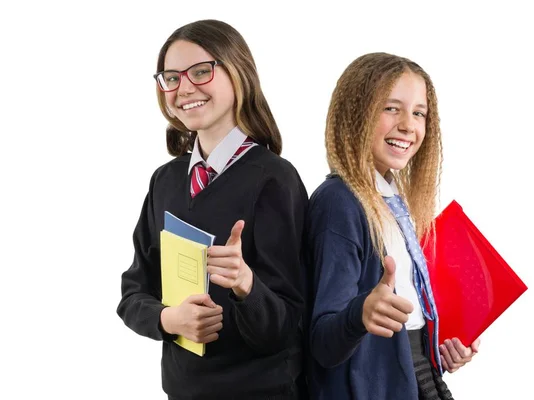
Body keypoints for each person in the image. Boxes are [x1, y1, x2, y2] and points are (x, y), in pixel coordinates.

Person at [116, 19, 308, 400]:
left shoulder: (274, 180)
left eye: (201, 71)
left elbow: (289, 326)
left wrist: (245, 285)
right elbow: (133, 293)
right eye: (171, 78)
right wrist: (168, 319)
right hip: (183, 391)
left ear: (239, 74)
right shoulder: (165, 182)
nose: (184, 87)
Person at [305, 52, 480, 400]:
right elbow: (323, 343)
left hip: (417, 378)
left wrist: (440, 346)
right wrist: (361, 312)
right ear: (355, 114)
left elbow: (404, 326)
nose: (408, 125)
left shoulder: (393, 203)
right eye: (391, 108)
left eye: (419, 113)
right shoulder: (339, 202)